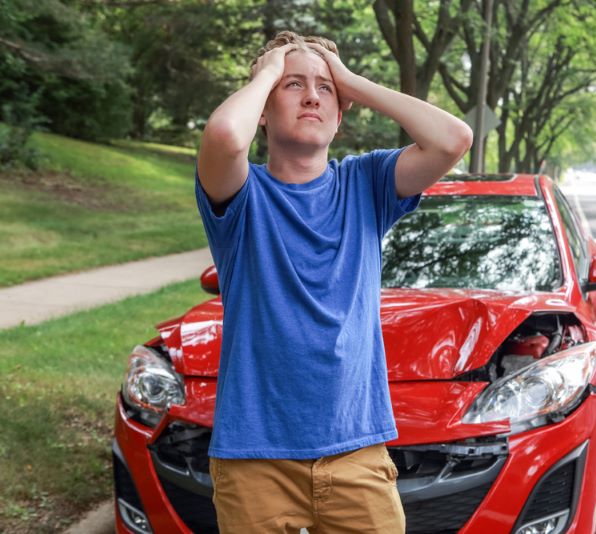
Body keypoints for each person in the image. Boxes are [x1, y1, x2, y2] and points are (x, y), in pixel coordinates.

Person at [194, 30, 472, 533]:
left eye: (324, 89)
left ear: (340, 114)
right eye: (292, 85)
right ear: (263, 107)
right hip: (255, 457)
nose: (311, 96)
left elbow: (453, 139)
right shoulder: (241, 193)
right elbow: (224, 137)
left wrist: (349, 80)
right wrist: (268, 70)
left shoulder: (365, 184)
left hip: (356, 451)